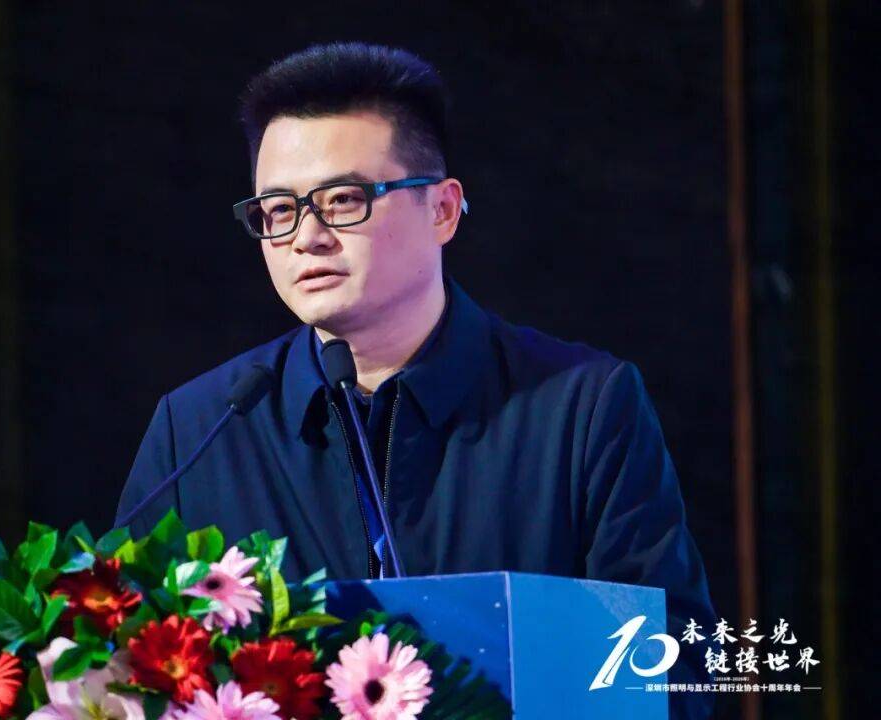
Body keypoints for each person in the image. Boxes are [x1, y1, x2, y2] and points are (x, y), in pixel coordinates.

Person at [116, 42, 715, 718]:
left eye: (344, 199)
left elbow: (671, 669)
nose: (307, 236)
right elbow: (128, 663)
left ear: (442, 210)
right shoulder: (202, 429)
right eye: (279, 210)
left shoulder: (580, 407)